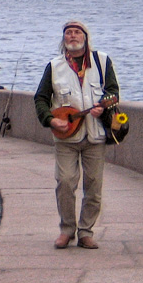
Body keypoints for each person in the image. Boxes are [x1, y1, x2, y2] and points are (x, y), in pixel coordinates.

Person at [34, 21, 119, 249]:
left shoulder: (102, 61)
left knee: (93, 186)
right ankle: (67, 230)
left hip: (95, 135)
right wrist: (51, 120)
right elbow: (40, 99)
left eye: (77, 32)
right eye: (68, 33)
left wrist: (104, 106)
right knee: (65, 182)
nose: (73, 36)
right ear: (64, 39)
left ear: (85, 37)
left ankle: (86, 231)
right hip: (66, 137)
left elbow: (113, 91)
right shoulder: (54, 66)